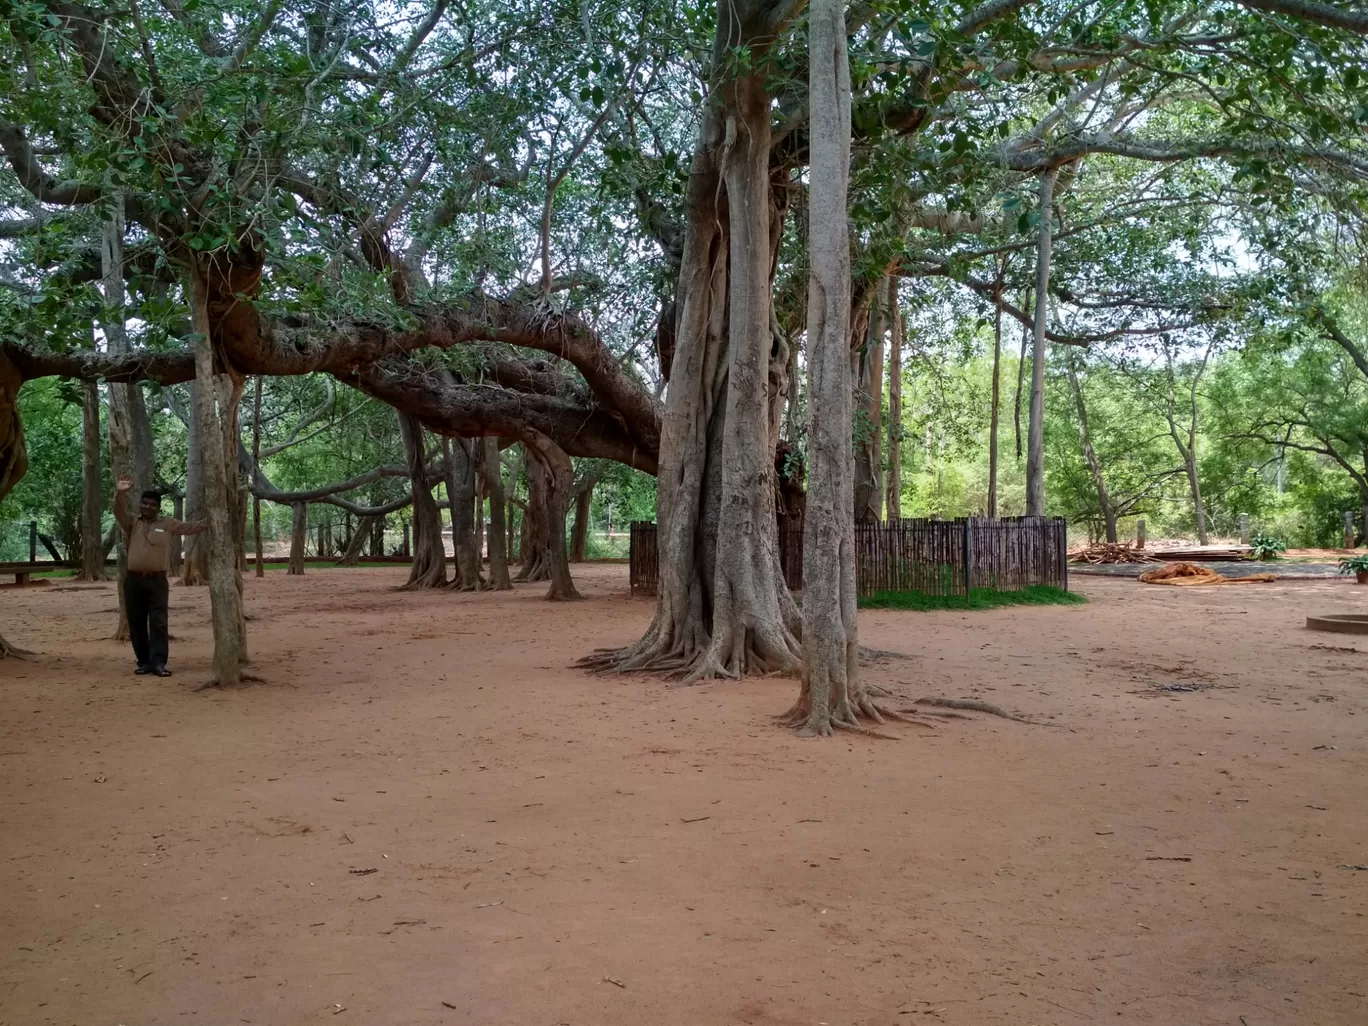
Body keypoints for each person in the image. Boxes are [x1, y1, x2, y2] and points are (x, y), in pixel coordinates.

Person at [113, 473, 208, 677]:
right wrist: (120, 493)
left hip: (157, 581)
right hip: (133, 580)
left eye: (152, 504)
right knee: (136, 621)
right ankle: (144, 661)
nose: (148, 507)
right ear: (140, 505)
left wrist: (211, 520)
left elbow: (190, 527)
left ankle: (158, 663)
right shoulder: (132, 522)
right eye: (144, 503)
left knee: (158, 622)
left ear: (158, 507)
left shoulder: (167, 523)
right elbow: (118, 510)